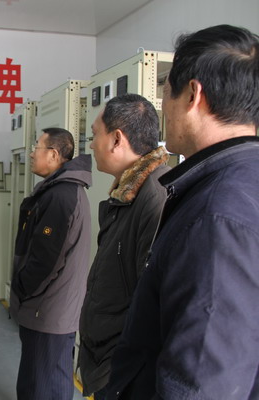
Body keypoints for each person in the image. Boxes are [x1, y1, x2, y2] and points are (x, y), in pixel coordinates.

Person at [107, 24, 259, 399]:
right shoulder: (242, 182)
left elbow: (200, 381)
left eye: (165, 95)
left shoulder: (218, 214)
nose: (164, 110)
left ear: (193, 94)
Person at [78, 93, 170, 400]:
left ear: (117, 139)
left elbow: (150, 304)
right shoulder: (128, 193)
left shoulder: (154, 198)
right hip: (108, 358)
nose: (91, 145)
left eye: (94, 135)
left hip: (122, 367)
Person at [10, 128, 92, 400]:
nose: (32, 153)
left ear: (54, 154)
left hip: (47, 308)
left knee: (41, 384)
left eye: (37, 147)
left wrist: (22, 288)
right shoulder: (59, 190)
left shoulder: (61, 196)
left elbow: (45, 261)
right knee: (48, 377)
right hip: (51, 308)